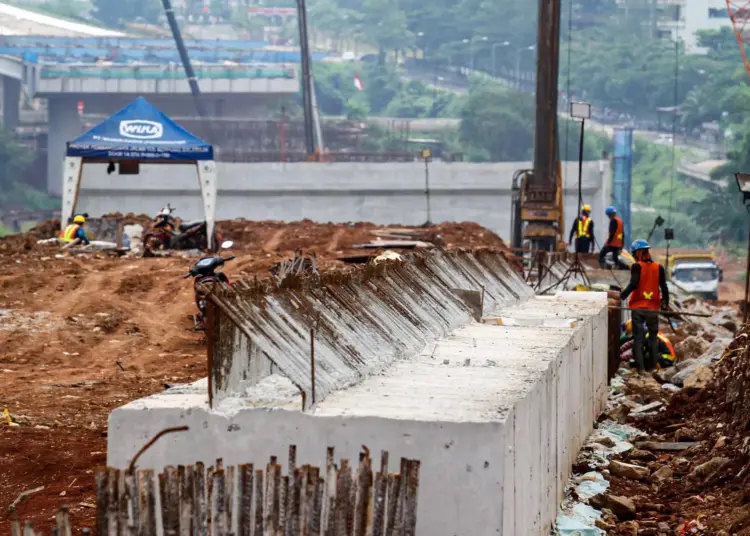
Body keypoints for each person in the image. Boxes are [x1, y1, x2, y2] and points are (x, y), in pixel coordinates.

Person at [619, 239, 669, 372]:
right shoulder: (659, 267)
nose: (634, 256)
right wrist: (665, 303)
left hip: (638, 307)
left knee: (638, 338)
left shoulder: (637, 267)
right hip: (653, 308)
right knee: (653, 338)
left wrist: (621, 296)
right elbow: (664, 287)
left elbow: (633, 284)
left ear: (639, 252)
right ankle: (653, 368)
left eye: (635, 253)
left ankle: (641, 369)